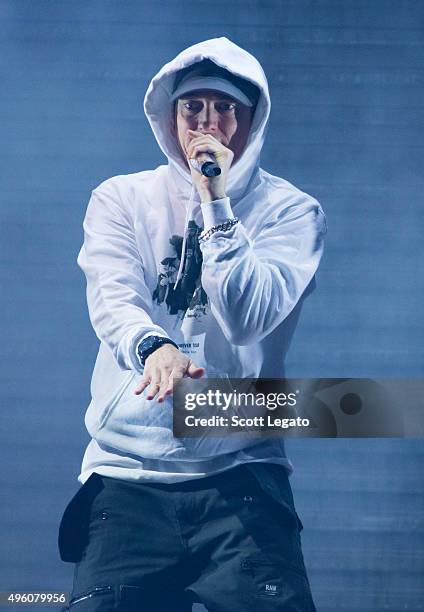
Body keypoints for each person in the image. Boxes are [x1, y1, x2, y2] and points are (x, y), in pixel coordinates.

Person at [58, 37, 326, 611]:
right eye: (193, 107)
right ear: (168, 116)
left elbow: (248, 317)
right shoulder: (122, 197)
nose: (209, 122)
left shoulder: (292, 212)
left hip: (242, 472)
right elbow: (113, 296)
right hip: (127, 476)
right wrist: (152, 346)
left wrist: (216, 203)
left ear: (253, 120)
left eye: (226, 108)